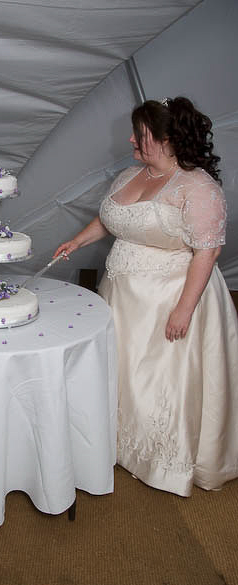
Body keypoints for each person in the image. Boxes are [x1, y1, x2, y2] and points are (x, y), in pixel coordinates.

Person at [54, 97, 238, 496]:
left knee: (156, 377)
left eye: (141, 134)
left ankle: (161, 460)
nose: (131, 140)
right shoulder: (128, 175)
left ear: (168, 139)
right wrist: (77, 240)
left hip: (170, 296)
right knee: (122, 367)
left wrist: (184, 310)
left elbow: (207, 252)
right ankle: (116, 442)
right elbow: (110, 219)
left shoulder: (198, 187)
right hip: (121, 293)